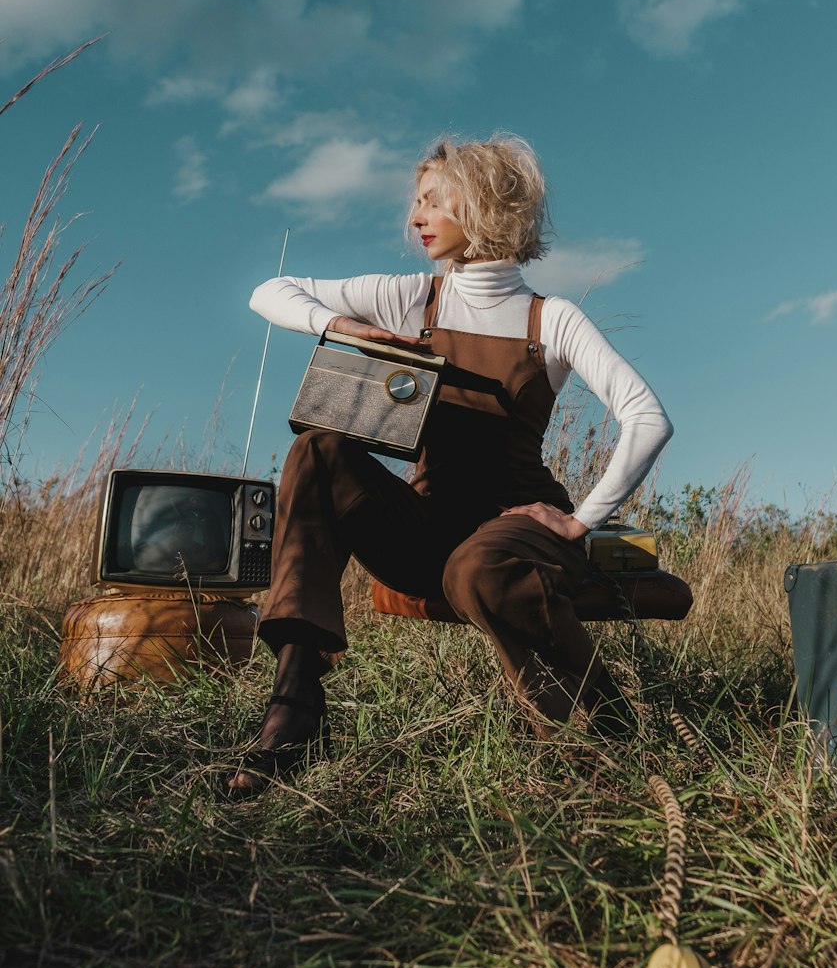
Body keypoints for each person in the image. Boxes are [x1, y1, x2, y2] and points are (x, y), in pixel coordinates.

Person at [228, 135, 673, 796]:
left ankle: (595, 723)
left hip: (517, 530)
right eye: (416, 203)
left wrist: (581, 522)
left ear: (486, 202)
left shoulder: (552, 320)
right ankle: (296, 701)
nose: (416, 218)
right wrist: (339, 327)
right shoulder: (415, 297)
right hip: (427, 531)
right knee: (319, 448)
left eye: (433, 200)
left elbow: (647, 417)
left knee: (478, 566)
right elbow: (270, 291)